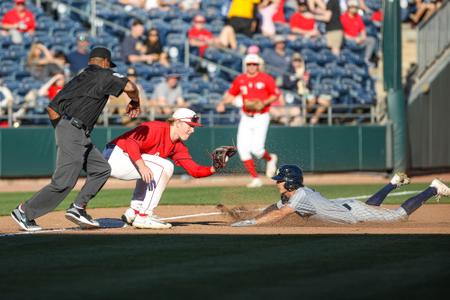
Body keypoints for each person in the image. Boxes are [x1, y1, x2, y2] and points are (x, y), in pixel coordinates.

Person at [10, 47, 142, 232]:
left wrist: (64, 129)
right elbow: (131, 87)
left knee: (101, 169)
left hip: (72, 129)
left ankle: (78, 208)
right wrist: (135, 101)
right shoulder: (105, 74)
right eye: (108, 65)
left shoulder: (78, 79)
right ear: (104, 62)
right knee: (63, 182)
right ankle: (24, 212)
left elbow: (51, 109)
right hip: (74, 130)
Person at [103, 108, 230, 229]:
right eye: (190, 125)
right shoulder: (156, 127)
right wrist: (141, 165)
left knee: (155, 167)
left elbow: (194, 171)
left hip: (127, 159)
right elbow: (131, 143)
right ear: (178, 122)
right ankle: (144, 215)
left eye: (194, 126)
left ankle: (135, 211)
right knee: (165, 166)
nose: (192, 130)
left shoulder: (178, 146)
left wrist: (214, 168)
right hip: (115, 155)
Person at [231, 165, 450, 227]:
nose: (277, 182)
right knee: (368, 208)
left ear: (289, 182)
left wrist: (252, 223)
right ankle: (393, 183)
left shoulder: (299, 196)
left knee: (399, 217)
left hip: (353, 212)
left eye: (279, 179)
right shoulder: (293, 194)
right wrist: (252, 215)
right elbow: (275, 209)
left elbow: (282, 214)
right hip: (346, 206)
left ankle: (433, 188)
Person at [216, 54, 279, 188]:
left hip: (261, 116)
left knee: (257, 149)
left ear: (258, 65)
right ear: (246, 65)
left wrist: (264, 102)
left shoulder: (265, 78)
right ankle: (255, 178)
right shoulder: (241, 79)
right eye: (249, 64)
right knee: (243, 149)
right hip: (246, 117)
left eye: (254, 64)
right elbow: (231, 94)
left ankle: (270, 158)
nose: (252, 66)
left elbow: (275, 94)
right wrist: (222, 103)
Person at [282, 53, 331, 125]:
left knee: (325, 102)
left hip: (306, 92)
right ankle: (303, 116)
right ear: (292, 62)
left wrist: (306, 82)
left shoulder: (304, 71)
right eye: (295, 61)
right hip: (296, 93)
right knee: (312, 99)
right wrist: (297, 78)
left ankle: (314, 118)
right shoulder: (288, 72)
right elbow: (287, 85)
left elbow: (309, 86)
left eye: (299, 61)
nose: (297, 63)